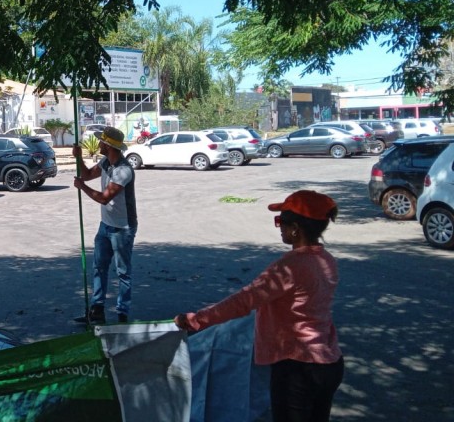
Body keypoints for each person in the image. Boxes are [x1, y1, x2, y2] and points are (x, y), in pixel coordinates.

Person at [174, 190, 344, 422]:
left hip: (298, 367)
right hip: (329, 362)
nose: (280, 228)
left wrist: (195, 320)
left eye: (281, 222)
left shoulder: (289, 267)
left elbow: (244, 301)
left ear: (295, 228)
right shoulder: (326, 260)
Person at [71, 126, 137, 324]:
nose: (98, 144)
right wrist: (78, 158)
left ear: (108, 145)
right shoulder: (106, 162)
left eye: (101, 141)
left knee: (123, 271)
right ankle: (97, 309)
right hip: (105, 225)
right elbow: (88, 174)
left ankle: (122, 313)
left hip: (122, 228)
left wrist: (81, 187)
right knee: (99, 267)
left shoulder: (124, 170)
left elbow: (104, 198)